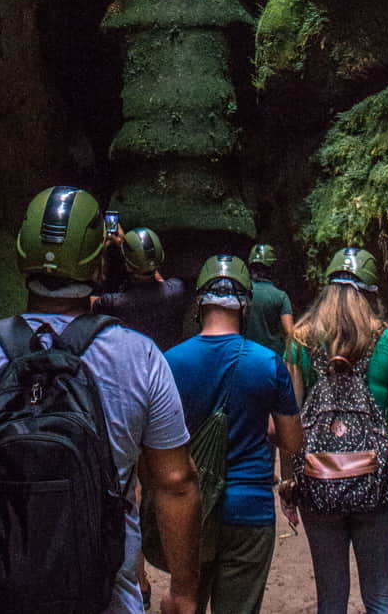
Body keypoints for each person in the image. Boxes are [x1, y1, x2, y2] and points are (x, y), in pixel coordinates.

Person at [0, 185, 201, 614]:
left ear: (20, 255)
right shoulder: (139, 358)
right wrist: (183, 590)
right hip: (101, 596)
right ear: (98, 262)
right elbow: (176, 482)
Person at [165, 255, 303, 614]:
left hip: (190, 510)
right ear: (246, 305)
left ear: (199, 303)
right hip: (250, 510)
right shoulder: (267, 363)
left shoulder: (169, 363)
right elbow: (291, 442)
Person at [282, 246, 388, 614]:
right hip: (374, 477)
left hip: (317, 476)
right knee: (380, 594)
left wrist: (288, 481)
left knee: (331, 596)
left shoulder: (302, 339)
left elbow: (289, 419)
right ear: (371, 293)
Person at [94, 227, 189, 609]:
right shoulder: (178, 291)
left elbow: (85, 301)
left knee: (130, 489)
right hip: (167, 390)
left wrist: (108, 251)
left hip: (129, 391)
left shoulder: (115, 303)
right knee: (172, 480)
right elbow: (161, 281)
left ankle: (141, 578)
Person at [94, 227, 189, 351]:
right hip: (167, 362)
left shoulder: (113, 303)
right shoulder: (177, 289)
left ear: (127, 265)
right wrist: (131, 249)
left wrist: (102, 252)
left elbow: (83, 304)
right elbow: (158, 280)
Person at [244, 243, 294, 356]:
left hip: (245, 354)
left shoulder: (242, 292)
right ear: (272, 268)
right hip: (272, 355)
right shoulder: (281, 296)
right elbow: (290, 333)